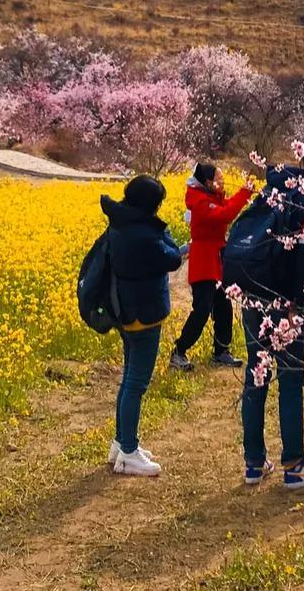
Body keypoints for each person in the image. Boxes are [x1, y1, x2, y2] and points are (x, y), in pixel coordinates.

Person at [238, 138, 304, 490]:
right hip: (284, 300)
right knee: (291, 377)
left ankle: (253, 463)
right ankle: (294, 464)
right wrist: (297, 300)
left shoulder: (271, 189)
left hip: (251, 293)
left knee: (256, 372)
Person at [101, 174, 187, 477]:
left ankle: (121, 443)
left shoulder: (120, 223)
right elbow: (173, 258)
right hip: (143, 315)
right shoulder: (144, 234)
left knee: (128, 380)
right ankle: (128, 452)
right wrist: (161, 229)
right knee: (136, 384)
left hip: (126, 311)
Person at [170, 163, 254, 371]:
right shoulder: (199, 201)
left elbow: (226, 207)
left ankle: (221, 350)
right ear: (208, 182)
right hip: (203, 260)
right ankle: (179, 350)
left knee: (224, 306)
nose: (223, 181)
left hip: (217, 257)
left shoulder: (212, 197)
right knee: (202, 309)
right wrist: (244, 193)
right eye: (219, 178)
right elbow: (225, 214)